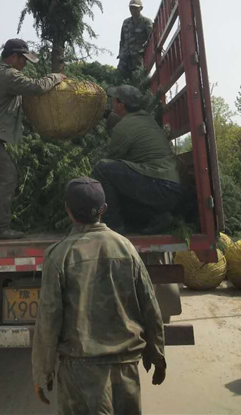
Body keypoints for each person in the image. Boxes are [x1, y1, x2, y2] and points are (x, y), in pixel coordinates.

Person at [32, 177, 166, 415]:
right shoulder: (126, 248)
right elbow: (150, 305)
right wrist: (157, 354)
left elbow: (48, 321)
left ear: (67, 211)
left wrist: (43, 372)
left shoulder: (58, 256)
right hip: (126, 366)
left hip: (79, 371)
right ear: (104, 210)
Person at [0, 38, 65, 240]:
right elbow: (37, 88)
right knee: (6, 177)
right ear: (12, 57)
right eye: (23, 59)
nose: (25, 64)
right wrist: (55, 77)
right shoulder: (7, 74)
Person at [93, 85, 187, 235]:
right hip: (171, 189)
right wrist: (106, 114)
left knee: (102, 170)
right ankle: (157, 217)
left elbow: (114, 158)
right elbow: (124, 123)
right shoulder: (147, 119)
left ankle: (114, 229)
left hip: (158, 185)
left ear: (121, 104)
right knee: (120, 186)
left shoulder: (124, 127)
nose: (112, 102)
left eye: (114, 100)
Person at [117, 0, 153, 78]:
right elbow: (122, 40)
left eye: (135, 8)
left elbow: (151, 40)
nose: (133, 10)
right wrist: (120, 53)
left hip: (138, 57)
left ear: (141, 8)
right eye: (131, 8)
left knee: (139, 79)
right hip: (125, 57)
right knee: (120, 78)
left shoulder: (146, 22)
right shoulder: (126, 22)